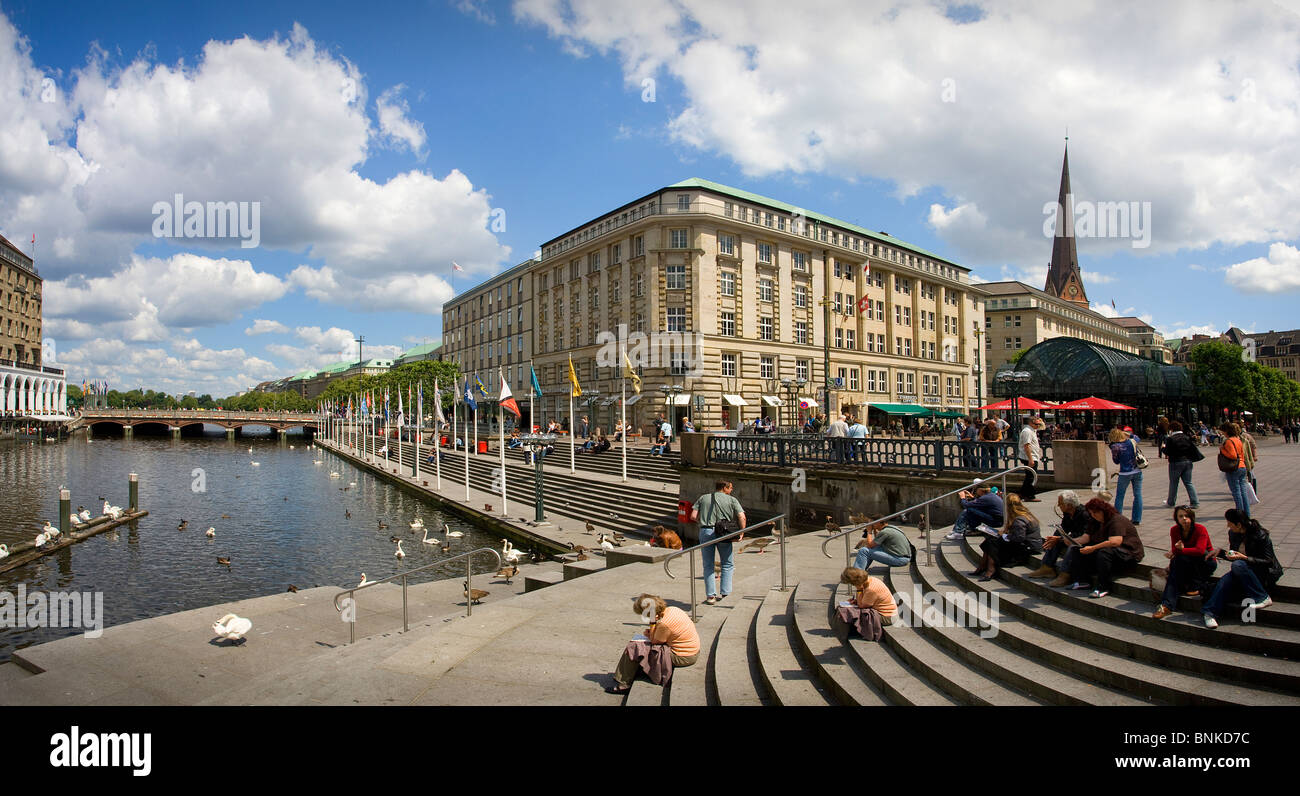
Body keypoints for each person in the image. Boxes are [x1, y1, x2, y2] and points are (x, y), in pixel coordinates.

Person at [1202, 510, 1282, 628]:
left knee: (1237, 565)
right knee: (1225, 580)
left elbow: (1268, 561)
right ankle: (1209, 613)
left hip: (1264, 572)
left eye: (1229, 523)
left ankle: (1262, 597)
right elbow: (1234, 555)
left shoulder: (1260, 535)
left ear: (1239, 524)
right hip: (1244, 569)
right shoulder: (1233, 534)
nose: (1228, 526)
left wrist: (1244, 558)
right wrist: (1221, 553)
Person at [607, 594, 700, 694]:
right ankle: (626, 675)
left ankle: (624, 683)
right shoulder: (673, 609)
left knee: (634, 646)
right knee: (639, 646)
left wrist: (651, 626)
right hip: (691, 650)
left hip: (683, 657)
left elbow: (655, 641)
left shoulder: (664, 624)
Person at [1065, 498, 1145, 598]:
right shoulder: (1094, 521)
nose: (1094, 515)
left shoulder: (1116, 520)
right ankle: (1082, 581)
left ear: (1103, 511)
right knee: (1076, 550)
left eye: (1096, 513)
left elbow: (1115, 542)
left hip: (1128, 554)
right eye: (1091, 513)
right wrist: (1071, 541)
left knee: (1104, 552)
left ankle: (1103, 587)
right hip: (1110, 551)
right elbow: (1085, 538)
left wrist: (1093, 548)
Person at [1153, 506, 1217, 619]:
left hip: (1205, 562)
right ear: (1176, 518)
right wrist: (1174, 552)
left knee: (1179, 563)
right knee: (1177, 563)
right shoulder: (1174, 530)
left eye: (1187, 516)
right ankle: (1166, 605)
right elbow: (1175, 549)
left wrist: (1181, 550)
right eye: (1180, 516)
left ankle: (1196, 585)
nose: (1184, 519)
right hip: (1186, 562)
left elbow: (1200, 550)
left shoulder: (1200, 529)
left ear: (1191, 517)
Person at [690, 480, 746, 605]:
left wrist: (703, 523)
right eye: (730, 488)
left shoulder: (703, 498)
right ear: (725, 488)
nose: (731, 490)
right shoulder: (731, 500)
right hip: (724, 532)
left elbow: (693, 516)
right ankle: (725, 593)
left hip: (706, 531)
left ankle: (711, 596)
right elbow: (742, 517)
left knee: (708, 565)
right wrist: (742, 532)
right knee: (727, 563)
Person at [971, 493, 1043, 580]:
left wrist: (1005, 536)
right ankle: (984, 567)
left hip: (1027, 548)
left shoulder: (1019, 520)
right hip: (1026, 545)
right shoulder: (1025, 514)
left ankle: (989, 569)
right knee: (991, 539)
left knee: (992, 542)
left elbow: (1019, 538)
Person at [1031, 490, 1095, 583]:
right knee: (1054, 540)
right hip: (1074, 538)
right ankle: (1046, 567)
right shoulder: (1067, 513)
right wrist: (1054, 538)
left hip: (1085, 541)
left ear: (1068, 505)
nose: (1058, 506)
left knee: (1072, 547)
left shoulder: (1084, 514)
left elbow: (1083, 534)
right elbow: (1063, 528)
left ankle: (1065, 574)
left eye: (1060, 504)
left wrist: (1060, 539)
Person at [834, 567, 898, 641]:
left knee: (850, 612)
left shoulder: (871, 589)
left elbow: (862, 606)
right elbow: (862, 601)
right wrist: (855, 600)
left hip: (887, 617)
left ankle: (851, 632)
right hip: (886, 612)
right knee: (846, 609)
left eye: (852, 584)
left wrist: (859, 589)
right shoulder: (872, 579)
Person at [1161, 421, 1202, 508]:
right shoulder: (1186, 437)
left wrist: (1163, 448)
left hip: (1175, 462)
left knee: (1174, 483)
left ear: (1171, 429)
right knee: (1188, 482)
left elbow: (1167, 451)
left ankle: (1171, 502)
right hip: (1188, 461)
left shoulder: (1171, 439)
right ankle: (1195, 502)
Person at [1109, 427, 1144, 525]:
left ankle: (1117, 518)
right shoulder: (1132, 441)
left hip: (1125, 473)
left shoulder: (1115, 446)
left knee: (1120, 496)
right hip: (1137, 471)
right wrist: (1126, 433)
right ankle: (1136, 519)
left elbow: (1116, 461)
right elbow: (1137, 437)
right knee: (1138, 495)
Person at [1218, 423, 1251, 518]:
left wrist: (1222, 450)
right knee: (1243, 491)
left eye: (1223, 431)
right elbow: (1241, 454)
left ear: (1226, 431)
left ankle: (1239, 514)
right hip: (1242, 466)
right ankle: (1246, 513)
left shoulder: (1229, 441)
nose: (1222, 433)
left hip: (1234, 468)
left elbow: (1232, 455)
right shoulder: (1238, 440)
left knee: (1236, 492)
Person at [1017, 416, 1045, 502]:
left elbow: (1043, 427)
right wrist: (1030, 459)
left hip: (1033, 456)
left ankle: (1022, 494)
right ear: (1030, 423)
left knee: (1029, 476)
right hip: (1029, 457)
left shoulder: (1032, 430)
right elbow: (1026, 446)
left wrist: (1040, 422)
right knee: (1031, 477)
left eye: (1038, 424)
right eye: (1036, 424)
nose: (1038, 426)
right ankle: (1030, 495)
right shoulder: (1027, 431)